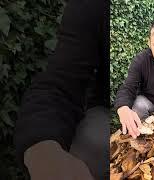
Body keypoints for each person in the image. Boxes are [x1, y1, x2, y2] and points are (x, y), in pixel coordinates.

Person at [14, 0, 108, 179]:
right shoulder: (92, 6)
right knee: (91, 141)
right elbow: (59, 85)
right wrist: (43, 152)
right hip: (108, 111)